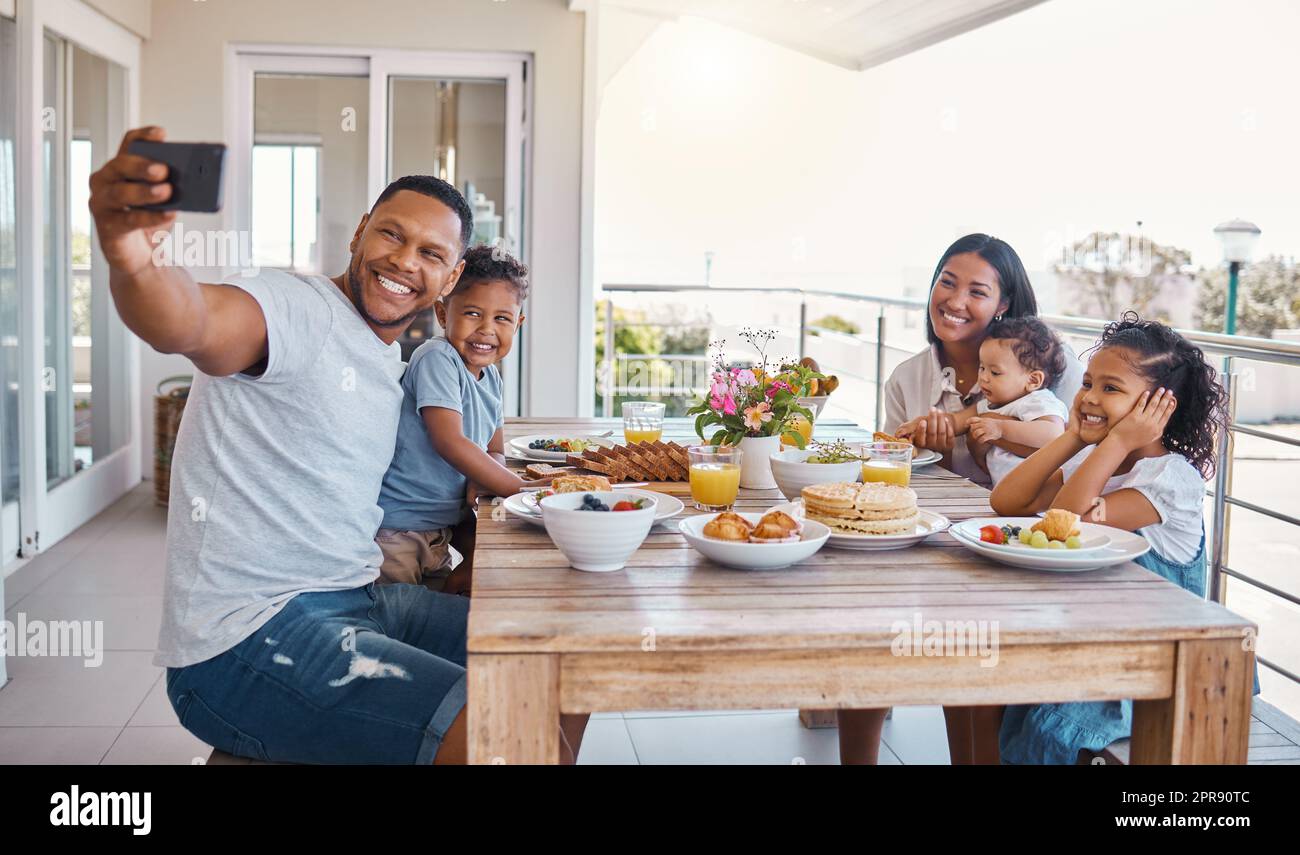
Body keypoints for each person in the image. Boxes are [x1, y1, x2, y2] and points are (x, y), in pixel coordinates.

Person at [91, 125, 492, 764]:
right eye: (392, 233)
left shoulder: (389, 359)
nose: (404, 261)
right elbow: (190, 320)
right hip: (246, 639)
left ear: (452, 277)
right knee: (492, 728)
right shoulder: (294, 306)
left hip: (360, 600)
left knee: (556, 657)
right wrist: (133, 255)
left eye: (430, 252)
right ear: (361, 230)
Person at [843, 234, 1083, 766]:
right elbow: (889, 467)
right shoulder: (910, 378)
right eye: (946, 282)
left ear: (1004, 306)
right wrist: (924, 448)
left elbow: (1072, 453)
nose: (954, 301)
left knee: (975, 649)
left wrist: (974, 426)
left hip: (1022, 535)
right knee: (867, 611)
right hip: (938, 530)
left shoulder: (1050, 374)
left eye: (977, 291)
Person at [990, 312, 1249, 763]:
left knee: (1046, 731)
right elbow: (1007, 502)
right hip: (1092, 640)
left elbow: (1066, 520)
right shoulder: (1094, 462)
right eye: (1088, 383)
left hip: (1150, 661)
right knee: (1004, 692)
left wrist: (1113, 443)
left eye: (1111, 388)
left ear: (1159, 409)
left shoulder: (1170, 479)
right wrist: (1073, 437)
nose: (1089, 397)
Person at [375, 245, 548, 592]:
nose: (486, 329)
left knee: (499, 563)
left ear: (519, 323)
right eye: (472, 313)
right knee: (396, 618)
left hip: (445, 522)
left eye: (502, 318)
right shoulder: (437, 358)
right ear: (443, 313)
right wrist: (520, 488)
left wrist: (481, 477)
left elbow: (493, 447)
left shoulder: (492, 378)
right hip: (401, 529)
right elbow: (449, 440)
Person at [896, 315, 1068, 485]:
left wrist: (1001, 429)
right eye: (982, 368)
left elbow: (1053, 435)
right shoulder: (988, 405)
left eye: (995, 372)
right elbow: (955, 421)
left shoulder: (1038, 401)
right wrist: (920, 424)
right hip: (1006, 493)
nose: (983, 378)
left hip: (1041, 489)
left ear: (1033, 380)